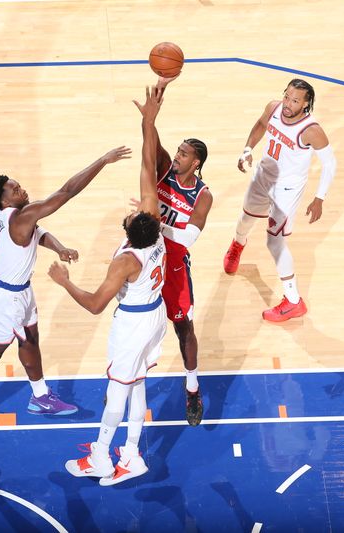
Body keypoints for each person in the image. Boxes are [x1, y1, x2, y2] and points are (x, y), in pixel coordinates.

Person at [0, 146, 132, 428]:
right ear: (5, 201)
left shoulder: (13, 217)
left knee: (30, 339)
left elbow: (39, 233)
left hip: (18, 291)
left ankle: (41, 397)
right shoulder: (21, 216)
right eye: (15, 190)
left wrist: (59, 248)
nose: (22, 190)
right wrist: (103, 161)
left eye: (19, 186)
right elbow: (66, 192)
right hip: (4, 299)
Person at [48, 86, 166, 486]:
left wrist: (65, 282)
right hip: (155, 315)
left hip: (133, 323)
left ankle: (101, 456)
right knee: (136, 383)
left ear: (133, 228)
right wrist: (148, 120)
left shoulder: (125, 261)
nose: (131, 212)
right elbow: (148, 166)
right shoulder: (154, 229)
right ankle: (131, 455)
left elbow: (97, 304)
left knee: (119, 388)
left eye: (130, 216)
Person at [223, 78, 337, 322]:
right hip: (263, 176)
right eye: (287, 96)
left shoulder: (311, 130)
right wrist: (247, 150)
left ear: (306, 104)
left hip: (287, 189)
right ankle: (237, 245)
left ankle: (294, 301)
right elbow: (260, 124)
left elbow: (330, 163)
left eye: (295, 100)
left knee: (275, 242)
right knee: (245, 219)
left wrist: (319, 198)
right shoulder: (273, 107)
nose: (288, 103)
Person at [143, 75, 212, 426]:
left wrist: (154, 221)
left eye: (185, 152)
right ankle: (133, 381)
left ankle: (192, 387)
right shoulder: (165, 170)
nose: (179, 154)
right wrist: (158, 98)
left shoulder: (202, 195)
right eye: (179, 150)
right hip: (145, 261)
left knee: (183, 329)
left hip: (173, 267)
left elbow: (187, 240)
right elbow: (150, 137)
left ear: (196, 162)